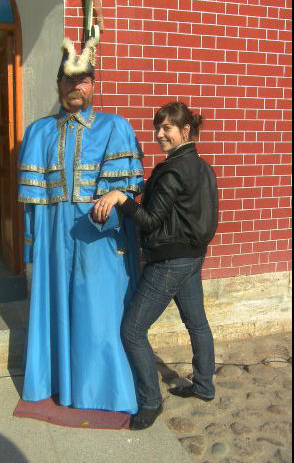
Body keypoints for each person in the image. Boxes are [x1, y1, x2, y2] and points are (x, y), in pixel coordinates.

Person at [17, 37, 144, 414]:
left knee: (100, 313)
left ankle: (105, 390)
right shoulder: (38, 132)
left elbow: (126, 189)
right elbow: (31, 204)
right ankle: (55, 382)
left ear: (93, 84)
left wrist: (109, 211)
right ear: (58, 84)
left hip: (98, 236)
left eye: (83, 80)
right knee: (53, 308)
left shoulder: (115, 127)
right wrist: (32, 246)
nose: (76, 86)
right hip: (53, 235)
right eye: (69, 80)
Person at [92, 101, 219, 429]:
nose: (160, 134)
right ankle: (204, 386)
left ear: (185, 130)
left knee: (132, 331)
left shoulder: (173, 170)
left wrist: (121, 198)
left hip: (169, 262)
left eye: (167, 128)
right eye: (157, 127)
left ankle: (150, 401)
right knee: (197, 324)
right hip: (193, 256)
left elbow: (149, 221)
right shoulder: (201, 166)